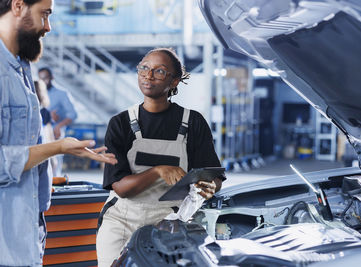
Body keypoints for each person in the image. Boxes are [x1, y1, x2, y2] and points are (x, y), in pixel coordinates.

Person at [0, 0, 117, 266]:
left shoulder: (21, 68)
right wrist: (58, 147)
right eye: (44, 14)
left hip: (26, 234)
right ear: (18, 6)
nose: (48, 27)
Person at [96, 47, 225, 267]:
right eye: (144, 68)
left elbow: (213, 176)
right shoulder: (120, 123)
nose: (148, 75)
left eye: (159, 71)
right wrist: (158, 170)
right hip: (122, 220)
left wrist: (210, 186)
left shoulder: (193, 123)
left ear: (174, 81)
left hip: (170, 221)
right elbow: (121, 188)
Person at [38, 66, 77, 176]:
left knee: (55, 165)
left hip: (56, 133)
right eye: (41, 79)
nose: (44, 81)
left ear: (52, 77)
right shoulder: (37, 92)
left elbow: (73, 114)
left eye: (46, 78)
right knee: (42, 166)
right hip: (41, 133)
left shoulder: (62, 94)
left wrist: (59, 125)